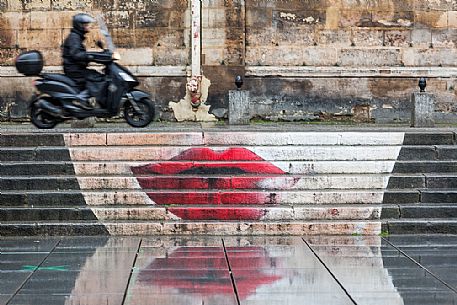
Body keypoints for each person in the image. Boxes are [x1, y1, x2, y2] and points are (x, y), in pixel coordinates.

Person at [62, 13, 106, 109]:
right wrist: (90, 56)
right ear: (79, 25)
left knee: (96, 75)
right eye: (85, 24)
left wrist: (95, 55)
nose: (88, 26)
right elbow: (76, 54)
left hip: (76, 68)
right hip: (74, 70)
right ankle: (80, 99)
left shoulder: (77, 36)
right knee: (96, 79)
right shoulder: (74, 37)